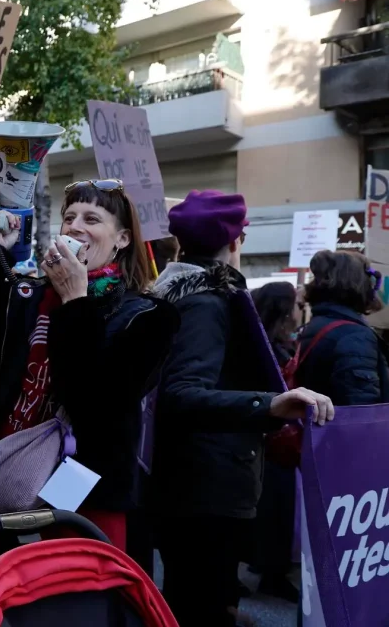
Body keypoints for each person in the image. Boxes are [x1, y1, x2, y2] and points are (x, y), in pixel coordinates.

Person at [0, 178, 179, 553]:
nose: (76, 227)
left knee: (65, 608)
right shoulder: (29, 295)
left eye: (92, 219)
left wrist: (75, 302)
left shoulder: (150, 316)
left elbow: (94, 405)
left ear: (123, 240)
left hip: (81, 502)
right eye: (69, 217)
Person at [150, 190, 334, 627]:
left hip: (199, 483)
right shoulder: (205, 300)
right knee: (198, 605)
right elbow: (181, 394)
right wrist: (269, 404)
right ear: (237, 240)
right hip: (202, 489)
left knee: (203, 599)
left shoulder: (186, 292)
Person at [248, 280, 301, 603]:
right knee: (276, 511)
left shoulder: (264, 343)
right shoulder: (273, 350)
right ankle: (272, 573)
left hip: (268, 444)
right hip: (274, 444)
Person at [293, 250, 389, 405]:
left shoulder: (318, 324)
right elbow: (361, 408)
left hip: (318, 426)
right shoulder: (354, 335)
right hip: (342, 428)